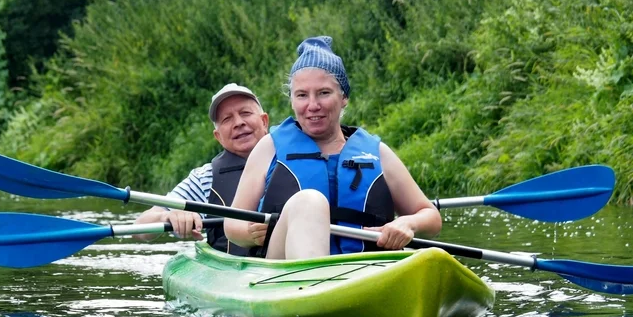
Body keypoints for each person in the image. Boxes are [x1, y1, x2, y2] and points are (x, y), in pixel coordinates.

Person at [224, 36, 441, 260]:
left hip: (364, 271)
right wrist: (248, 233)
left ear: (344, 96)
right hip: (282, 273)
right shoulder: (269, 148)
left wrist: (408, 223)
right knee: (309, 201)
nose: (312, 105)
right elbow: (232, 224)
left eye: (323, 93)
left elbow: (431, 217)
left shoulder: (377, 153)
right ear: (292, 100)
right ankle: (312, 286)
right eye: (301, 95)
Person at [133, 83, 269, 254]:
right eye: (227, 119)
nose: (239, 123)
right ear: (218, 136)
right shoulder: (205, 178)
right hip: (234, 272)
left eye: (245, 113)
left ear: (264, 121)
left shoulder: (294, 160)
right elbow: (140, 228)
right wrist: (166, 216)